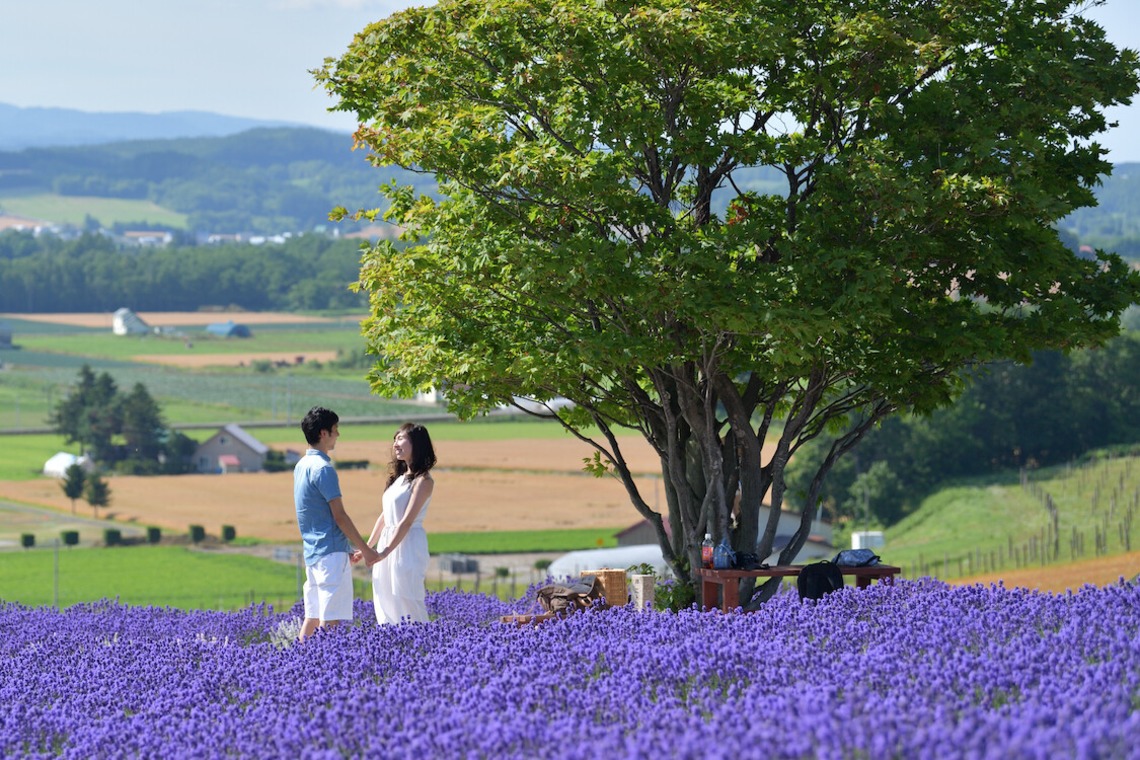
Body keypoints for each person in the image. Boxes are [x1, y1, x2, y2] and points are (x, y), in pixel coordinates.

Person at [294, 406, 381, 642]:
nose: (338, 434)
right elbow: (339, 516)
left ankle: (299, 666)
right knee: (329, 621)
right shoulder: (323, 469)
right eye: (335, 430)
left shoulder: (301, 466)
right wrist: (366, 549)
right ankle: (320, 670)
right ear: (324, 433)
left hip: (312, 553)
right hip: (330, 554)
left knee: (311, 618)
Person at [368, 422, 436, 624]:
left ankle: (423, 647)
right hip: (388, 544)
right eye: (394, 440)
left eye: (400, 439)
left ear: (416, 443)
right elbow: (385, 516)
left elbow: (406, 522)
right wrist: (368, 547)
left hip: (406, 546)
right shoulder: (399, 479)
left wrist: (383, 552)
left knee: (407, 600)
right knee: (385, 600)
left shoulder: (423, 481)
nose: (395, 444)